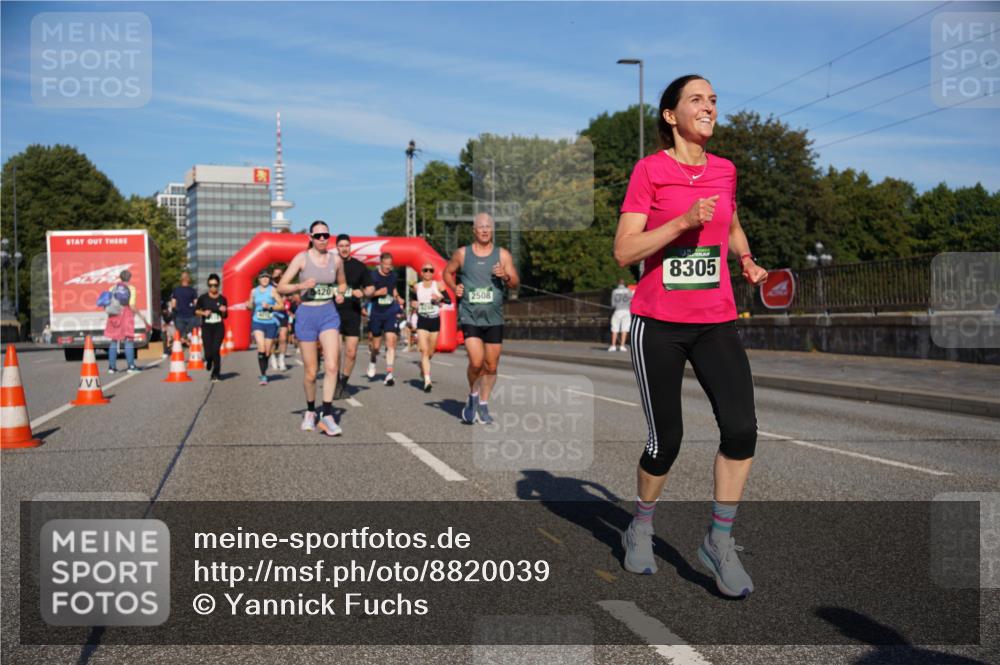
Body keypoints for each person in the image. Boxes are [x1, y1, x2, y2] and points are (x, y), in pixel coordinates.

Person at [613, 75, 768, 598]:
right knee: (666, 442)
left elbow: (731, 224)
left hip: (715, 319)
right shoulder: (650, 170)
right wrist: (680, 222)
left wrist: (746, 258)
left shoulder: (725, 170)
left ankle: (718, 541)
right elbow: (624, 251)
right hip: (657, 322)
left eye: (714, 100)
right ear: (670, 115)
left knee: (742, 429)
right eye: (697, 100)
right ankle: (641, 524)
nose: (709, 107)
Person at [443, 212, 519, 425]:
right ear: (474, 230)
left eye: (488, 227)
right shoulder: (462, 254)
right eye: (481, 227)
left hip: (494, 318)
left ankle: (483, 404)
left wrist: (505, 275)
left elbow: (515, 283)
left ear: (492, 230)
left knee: (491, 366)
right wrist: (454, 287)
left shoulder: (502, 255)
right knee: (476, 362)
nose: (485, 230)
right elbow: (447, 273)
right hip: (470, 316)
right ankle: (473, 396)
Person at [276, 220, 347, 436]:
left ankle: (327, 415)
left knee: (332, 366)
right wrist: (301, 286)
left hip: (328, 314)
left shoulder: (336, 260)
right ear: (311, 238)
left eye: (326, 235)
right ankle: (310, 411)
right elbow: (281, 286)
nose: (322, 239)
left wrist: (340, 293)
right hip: (306, 315)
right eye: (318, 236)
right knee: (311, 372)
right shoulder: (302, 258)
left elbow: (342, 283)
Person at [332, 234, 374, 400]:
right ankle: (335, 383)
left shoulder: (359, 267)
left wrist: (363, 292)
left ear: (350, 247)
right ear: (337, 247)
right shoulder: (330, 264)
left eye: (346, 246)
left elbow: (370, 288)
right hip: (332, 312)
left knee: (351, 352)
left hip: (352, 313)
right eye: (341, 246)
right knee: (335, 352)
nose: (344, 248)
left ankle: (343, 383)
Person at [366, 252, 402, 386]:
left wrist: (398, 297)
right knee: (376, 347)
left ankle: (389, 373)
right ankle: (372, 360)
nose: (388, 268)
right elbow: (367, 294)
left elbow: (393, 289)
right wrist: (378, 293)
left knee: (390, 342)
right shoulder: (373, 275)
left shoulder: (394, 275)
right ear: (380, 263)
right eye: (386, 265)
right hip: (376, 313)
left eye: (390, 265)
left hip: (390, 312)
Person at [414, 264, 448, 392]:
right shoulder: (417, 286)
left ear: (433, 273)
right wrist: (413, 304)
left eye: (430, 270)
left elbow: (449, 300)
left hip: (434, 320)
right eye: (425, 270)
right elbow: (413, 301)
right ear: (421, 273)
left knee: (430, 352)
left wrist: (439, 298)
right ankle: (427, 380)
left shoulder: (438, 285)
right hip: (422, 320)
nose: (428, 272)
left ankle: (423, 367)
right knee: (424, 350)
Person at [245, 271, 284, 385]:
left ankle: (264, 365)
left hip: (271, 323)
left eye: (267, 277)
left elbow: (281, 306)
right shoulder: (254, 291)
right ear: (259, 279)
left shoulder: (273, 290)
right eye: (263, 277)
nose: (265, 279)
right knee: (261, 347)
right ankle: (263, 376)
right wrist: (248, 305)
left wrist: (270, 306)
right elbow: (251, 305)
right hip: (257, 322)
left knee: (267, 351)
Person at [104, 269, 145, 374]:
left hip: (114, 315)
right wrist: (141, 316)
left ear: (120, 277)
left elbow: (108, 302)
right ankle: (131, 366)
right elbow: (132, 305)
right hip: (126, 315)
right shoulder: (131, 288)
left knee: (114, 340)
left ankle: (111, 367)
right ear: (129, 278)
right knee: (128, 341)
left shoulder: (112, 288)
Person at [194, 273, 228, 382]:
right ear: (208, 285)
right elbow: (196, 311)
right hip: (207, 328)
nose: (213, 287)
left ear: (218, 285)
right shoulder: (203, 298)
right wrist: (204, 313)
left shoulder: (222, 299)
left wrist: (224, 311)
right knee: (208, 353)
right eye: (210, 285)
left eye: (215, 285)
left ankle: (216, 373)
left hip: (218, 327)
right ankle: (208, 361)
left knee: (215, 350)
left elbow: (225, 316)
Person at [269, 267, 291, 371]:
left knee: (283, 338)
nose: (278, 276)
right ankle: (273, 357)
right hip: (271, 314)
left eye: (280, 274)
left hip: (282, 314)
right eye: (276, 274)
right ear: (272, 275)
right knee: (273, 339)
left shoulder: (285, 285)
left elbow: (291, 297)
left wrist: (287, 298)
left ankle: (282, 359)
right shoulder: (269, 286)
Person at [170, 271, 198, 346]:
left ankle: (182, 343)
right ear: (188, 279)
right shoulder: (192, 291)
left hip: (179, 316)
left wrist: (175, 312)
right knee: (192, 336)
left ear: (181, 279)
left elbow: (173, 304)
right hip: (191, 316)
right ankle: (190, 345)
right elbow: (196, 304)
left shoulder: (176, 290)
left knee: (179, 337)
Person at [609, 278, 633, 352]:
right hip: (626, 311)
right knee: (624, 329)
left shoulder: (614, 291)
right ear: (624, 283)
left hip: (618, 311)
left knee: (614, 328)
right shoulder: (628, 291)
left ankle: (613, 346)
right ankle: (622, 346)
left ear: (618, 283)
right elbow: (631, 301)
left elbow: (613, 304)